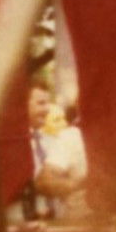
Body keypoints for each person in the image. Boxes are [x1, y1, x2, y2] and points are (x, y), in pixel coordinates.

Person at [27, 83, 87, 220]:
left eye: (48, 103)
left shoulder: (53, 140)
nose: (47, 109)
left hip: (58, 218)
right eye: (41, 103)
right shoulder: (15, 146)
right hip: (27, 217)